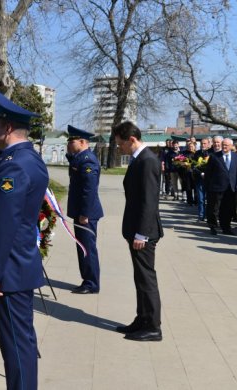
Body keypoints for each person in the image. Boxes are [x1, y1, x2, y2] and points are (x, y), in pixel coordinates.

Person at [0, 92, 49, 389]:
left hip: (10, 269)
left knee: (16, 347)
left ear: (7, 128)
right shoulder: (29, 158)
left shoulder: (13, 165)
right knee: (22, 341)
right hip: (21, 262)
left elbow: (4, 224)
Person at [113, 121, 164, 342]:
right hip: (136, 230)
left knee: (146, 279)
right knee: (140, 278)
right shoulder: (139, 160)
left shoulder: (148, 161)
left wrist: (142, 234)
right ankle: (142, 319)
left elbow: (149, 201)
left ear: (131, 140)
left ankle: (153, 326)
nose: (119, 148)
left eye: (120, 144)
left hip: (144, 232)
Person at [66, 125, 103, 294]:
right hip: (81, 212)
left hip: (85, 214)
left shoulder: (87, 160)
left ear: (82, 142)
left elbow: (89, 190)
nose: (68, 144)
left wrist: (85, 214)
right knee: (83, 247)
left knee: (87, 248)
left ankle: (91, 283)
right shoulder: (80, 157)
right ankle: (87, 280)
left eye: (71, 141)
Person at [204, 138, 237, 235]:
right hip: (216, 188)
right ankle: (213, 226)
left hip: (230, 188)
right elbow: (208, 174)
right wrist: (208, 187)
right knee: (214, 209)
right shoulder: (214, 156)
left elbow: (235, 172)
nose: (224, 146)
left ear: (231, 146)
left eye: (226, 145)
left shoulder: (236, 157)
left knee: (227, 209)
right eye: (223, 144)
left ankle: (226, 228)